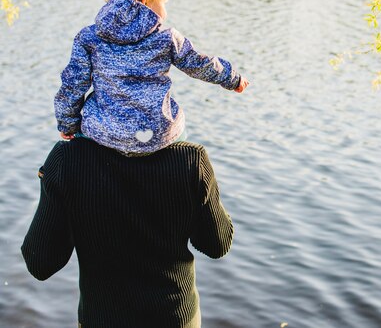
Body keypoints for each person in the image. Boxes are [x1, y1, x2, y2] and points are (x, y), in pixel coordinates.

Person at [21, 137, 234, 327]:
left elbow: (40, 263)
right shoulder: (190, 159)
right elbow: (217, 245)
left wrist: (49, 179)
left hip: (102, 319)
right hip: (176, 318)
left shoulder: (67, 159)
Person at [54, 0, 250, 156]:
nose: (164, 12)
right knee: (182, 139)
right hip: (155, 134)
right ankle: (178, 164)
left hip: (105, 133)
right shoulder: (166, 37)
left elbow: (73, 84)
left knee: (81, 139)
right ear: (146, 0)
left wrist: (68, 124)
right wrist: (232, 78)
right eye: (163, 3)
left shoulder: (89, 37)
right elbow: (198, 64)